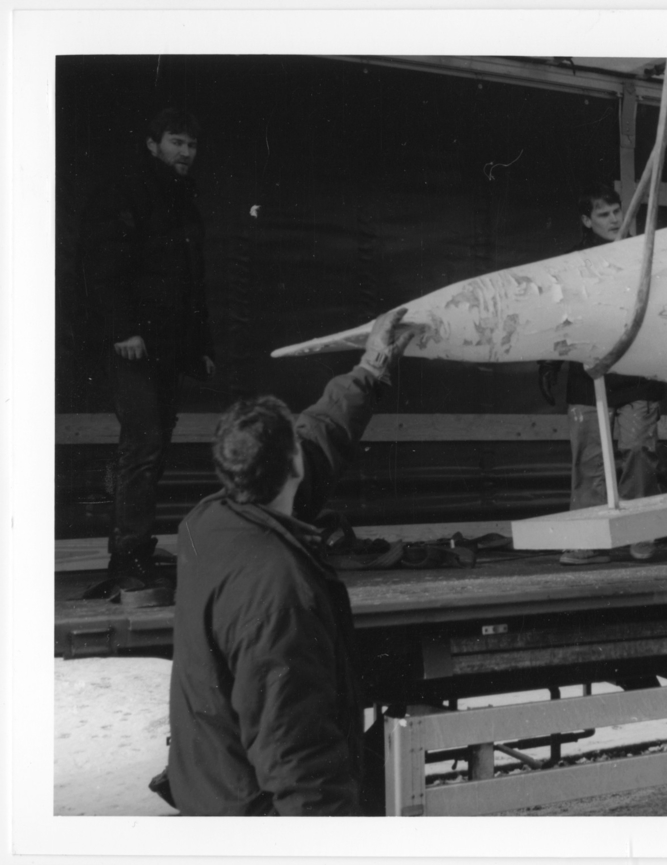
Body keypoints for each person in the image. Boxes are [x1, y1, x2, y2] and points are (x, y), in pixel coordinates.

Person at [155, 308, 418, 816]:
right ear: (292, 466)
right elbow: (294, 750)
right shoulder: (279, 593)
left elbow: (319, 436)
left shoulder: (204, 525)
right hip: (259, 818)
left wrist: (371, 368)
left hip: (215, 788)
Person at [80, 107, 215, 594]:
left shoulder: (183, 199)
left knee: (153, 448)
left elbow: (191, 283)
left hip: (168, 347)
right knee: (141, 446)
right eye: (176, 141)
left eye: (191, 144)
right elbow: (102, 263)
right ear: (152, 144)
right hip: (132, 345)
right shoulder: (127, 191)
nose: (186, 152)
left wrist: (200, 348)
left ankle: (137, 549)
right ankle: (126, 560)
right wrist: (123, 330)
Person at [538, 184, 665, 566]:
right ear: (586, 220)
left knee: (639, 451)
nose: (613, 219)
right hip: (589, 375)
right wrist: (549, 362)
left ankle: (640, 533)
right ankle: (586, 539)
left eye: (616, 212)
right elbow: (559, 315)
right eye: (603, 214)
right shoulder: (573, 263)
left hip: (637, 374)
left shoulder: (641, 257)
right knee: (589, 460)